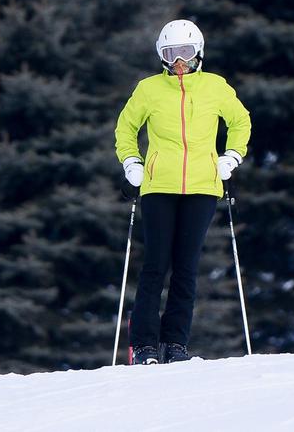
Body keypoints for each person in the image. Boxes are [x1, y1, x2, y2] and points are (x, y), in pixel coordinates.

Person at [115, 19, 251, 364]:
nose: (179, 62)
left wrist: (231, 156)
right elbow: (126, 127)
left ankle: (176, 344)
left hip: (204, 186)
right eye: (171, 54)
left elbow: (240, 121)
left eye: (185, 53)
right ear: (162, 56)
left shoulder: (215, 86)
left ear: (198, 53)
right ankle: (145, 345)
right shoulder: (148, 89)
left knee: (187, 268)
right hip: (158, 185)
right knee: (155, 265)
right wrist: (133, 163)